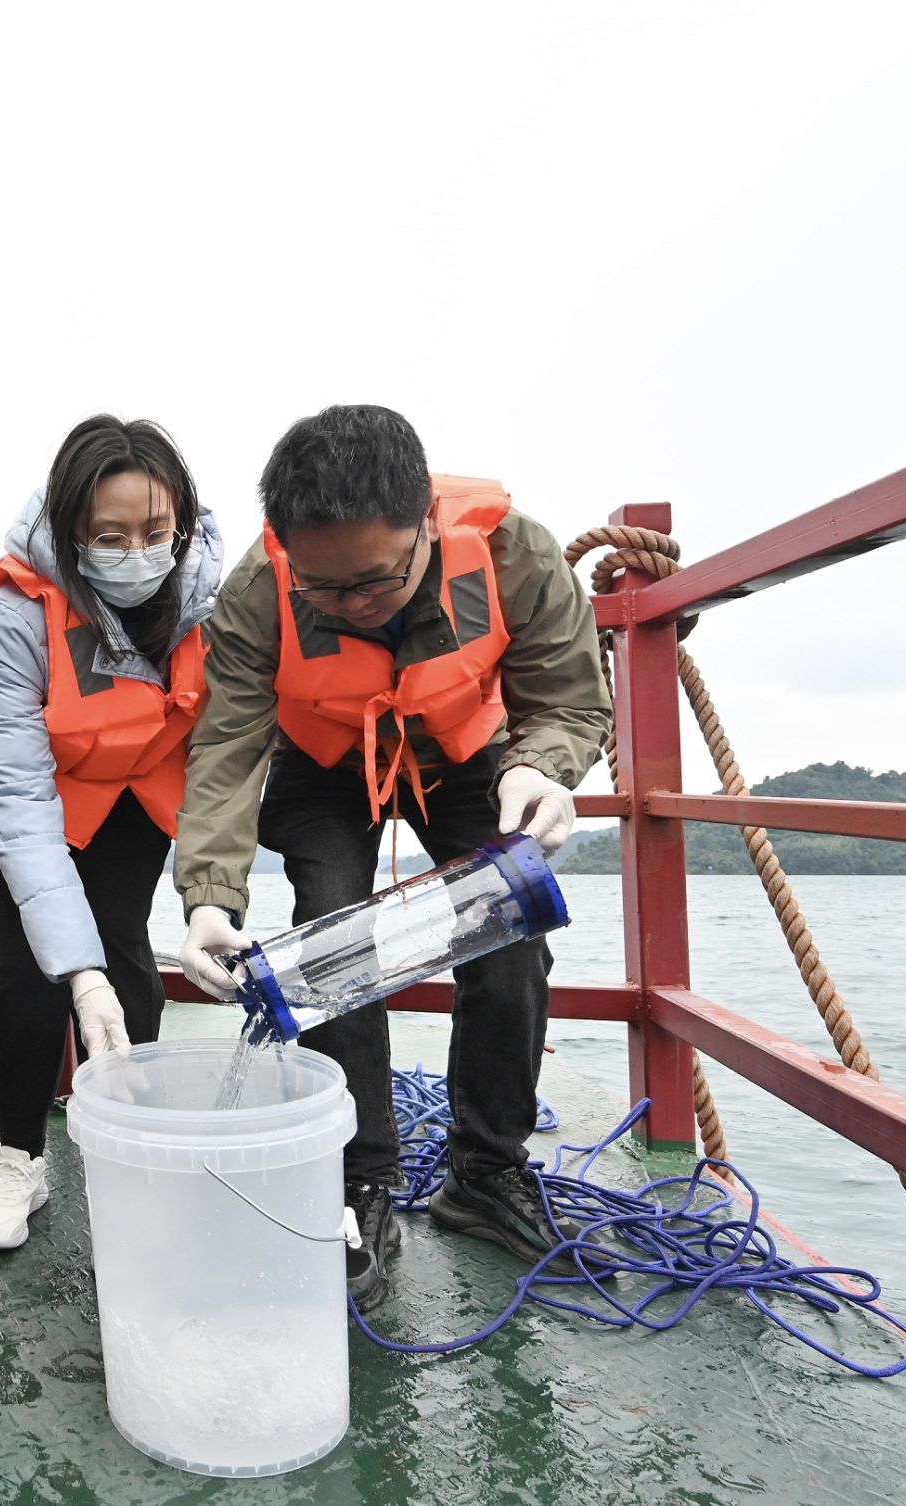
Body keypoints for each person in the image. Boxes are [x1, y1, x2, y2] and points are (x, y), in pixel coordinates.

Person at [174, 404, 610, 1311]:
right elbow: (226, 749)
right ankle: (359, 1179)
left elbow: (569, 696)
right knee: (329, 932)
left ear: (424, 525)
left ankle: (485, 1171)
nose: (350, 605)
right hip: (326, 758)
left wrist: (541, 768)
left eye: (374, 583)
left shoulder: (513, 552)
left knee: (511, 931)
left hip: (467, 754)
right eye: (321, 590)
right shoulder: (259, 590)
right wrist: (208, 899)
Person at [0, 416, 221, 1251]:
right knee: (34, 976)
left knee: (125, 955)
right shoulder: (15, 610)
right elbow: (22, 799)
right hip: (21, 800)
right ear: (72, 530)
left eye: (155, 533)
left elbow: (233, 744)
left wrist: (214, 897)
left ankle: (128, 1141)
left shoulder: (217, 597)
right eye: (109, 536)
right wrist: (76, 970)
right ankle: (18, 1155)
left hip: (134, 793)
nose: (136, 552)